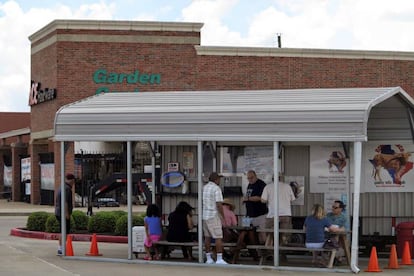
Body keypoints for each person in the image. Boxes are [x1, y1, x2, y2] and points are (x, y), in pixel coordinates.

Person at [261, 174, 296, 245]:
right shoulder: (287, 186)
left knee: (270, 234)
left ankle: (270, 253)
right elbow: (292, 199)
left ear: (272, 179)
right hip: (286, 214)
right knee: (283, 235)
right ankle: (282, 253)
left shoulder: (268, 187)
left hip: (272, 214)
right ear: (281, 178)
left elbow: (263, 200)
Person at [202, 172, 227, 265]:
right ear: (216, 179)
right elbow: (219, 204)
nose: (219, 180)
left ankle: (208, 258)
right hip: (213, 215)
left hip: (205, 215)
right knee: (218, 237)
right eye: (219, 179)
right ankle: (219, 258)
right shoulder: (216, 188)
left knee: (207, 237)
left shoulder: (204, 188)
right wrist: (223, 216)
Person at [243, 170, 268, 243]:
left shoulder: (261, 184)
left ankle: (266, 251)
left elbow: (261, 198)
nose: (250, 179)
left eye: (251, 177)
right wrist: (245, 200)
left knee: (263, 234)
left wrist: (248, 199)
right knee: (246, 231)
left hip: (260, 214)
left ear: (255, 176)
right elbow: (249, 196)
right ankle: (251, 250)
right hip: (249, 214)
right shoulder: (249, 185)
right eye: (248, 178)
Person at [55, 173, 75, 255]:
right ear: (72, 181)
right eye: (73, 182)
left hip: (58, 212)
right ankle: (62, 248)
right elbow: (65, 202)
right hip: (63, 213)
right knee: (65, 231)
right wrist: (66, 214)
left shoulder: (61, 187)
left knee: (61, 230)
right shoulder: (67, 189)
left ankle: (60, 248)